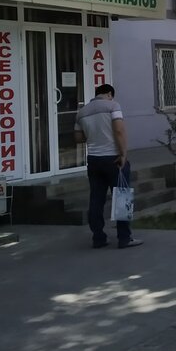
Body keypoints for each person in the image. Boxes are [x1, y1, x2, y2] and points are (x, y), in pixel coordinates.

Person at [74, 83, 142, 249]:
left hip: (94, 160)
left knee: (96, 199)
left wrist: (94, 133)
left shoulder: (81, 112)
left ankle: (98, 237)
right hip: (113, 158)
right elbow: (119, 131)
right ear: (110, 94)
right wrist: (123, 153)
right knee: (122, 197)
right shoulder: (113, 106)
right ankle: (124, 237)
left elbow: (78, 138)